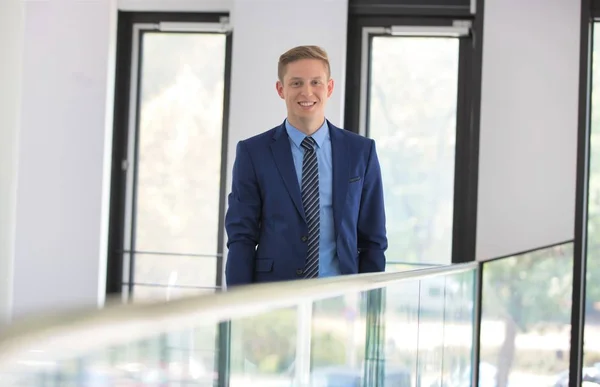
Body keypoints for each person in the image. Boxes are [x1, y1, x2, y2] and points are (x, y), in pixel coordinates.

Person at [224, 45, 387, 287]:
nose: (307, 92)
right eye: (296, 83)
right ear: (281, 89)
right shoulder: (253, 153)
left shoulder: (361, 151)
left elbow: (373, 240)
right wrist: (237, 306)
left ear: (329, 88)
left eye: (316, 82)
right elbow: (241, 237)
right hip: (274, 294)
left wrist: (368, 303)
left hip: (341, 296)